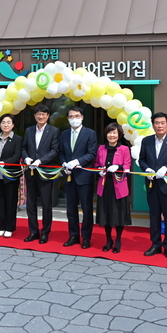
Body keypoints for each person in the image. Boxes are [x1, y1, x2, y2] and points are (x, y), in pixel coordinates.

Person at [139, 112, 167, 259]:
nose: (159, 125)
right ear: (153, 125)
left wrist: (166, 169)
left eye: (162, 123)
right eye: (157, 123)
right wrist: (147, 169)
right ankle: (156, 244)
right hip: (152, 185)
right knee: (154, 216)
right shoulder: (147, 141)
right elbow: (141, 160)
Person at [59, 106, 98, 249]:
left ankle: (86, 237)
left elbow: (92, 153)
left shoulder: (90, 133)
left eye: (76, 116)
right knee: (71, 208)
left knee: (86, 208)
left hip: (84, 177)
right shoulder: (64, 134)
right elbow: (61, 152)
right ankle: (73, 235)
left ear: (82, 117)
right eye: (71, 116)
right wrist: (64, 163)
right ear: (68, 118)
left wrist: (77, 162)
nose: (74, 119)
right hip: (69, 177)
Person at [21, 104, 60, 244]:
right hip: (31, 172)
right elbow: (24, 147)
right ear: (35, 115)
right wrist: (26, 158)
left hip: (45, 172)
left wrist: (40, 160)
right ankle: (33, 231)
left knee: (46, 203)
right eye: (38, 114)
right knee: (30, 203)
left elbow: (55, 150)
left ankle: (45, 232)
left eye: (44, 114)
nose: (41, 116)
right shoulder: (29, 130)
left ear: (48, 116)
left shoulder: (54, 131)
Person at [94, 123, 132, 253]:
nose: (112, 135)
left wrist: (119, 168)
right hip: (104, 185)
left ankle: (118, 240)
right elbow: (96, 163)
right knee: (106, 214)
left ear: (119, 134)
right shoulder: (101, 148)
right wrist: (98, 169)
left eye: (114, 133)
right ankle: (108, 239)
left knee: (119, 214)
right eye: (110, 133)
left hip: (119, 186)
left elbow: (127, 166)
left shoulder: (125, 149)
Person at [0, 113, 23, 238]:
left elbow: (16, 156)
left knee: (10, 201)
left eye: (8, 122)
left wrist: (5, 163)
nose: (6, 125)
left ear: (13, 125)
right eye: (3, 122)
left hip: (11, 175)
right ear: (0, 124)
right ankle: (1, 226)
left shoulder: (17, 139)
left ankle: (9, 227)